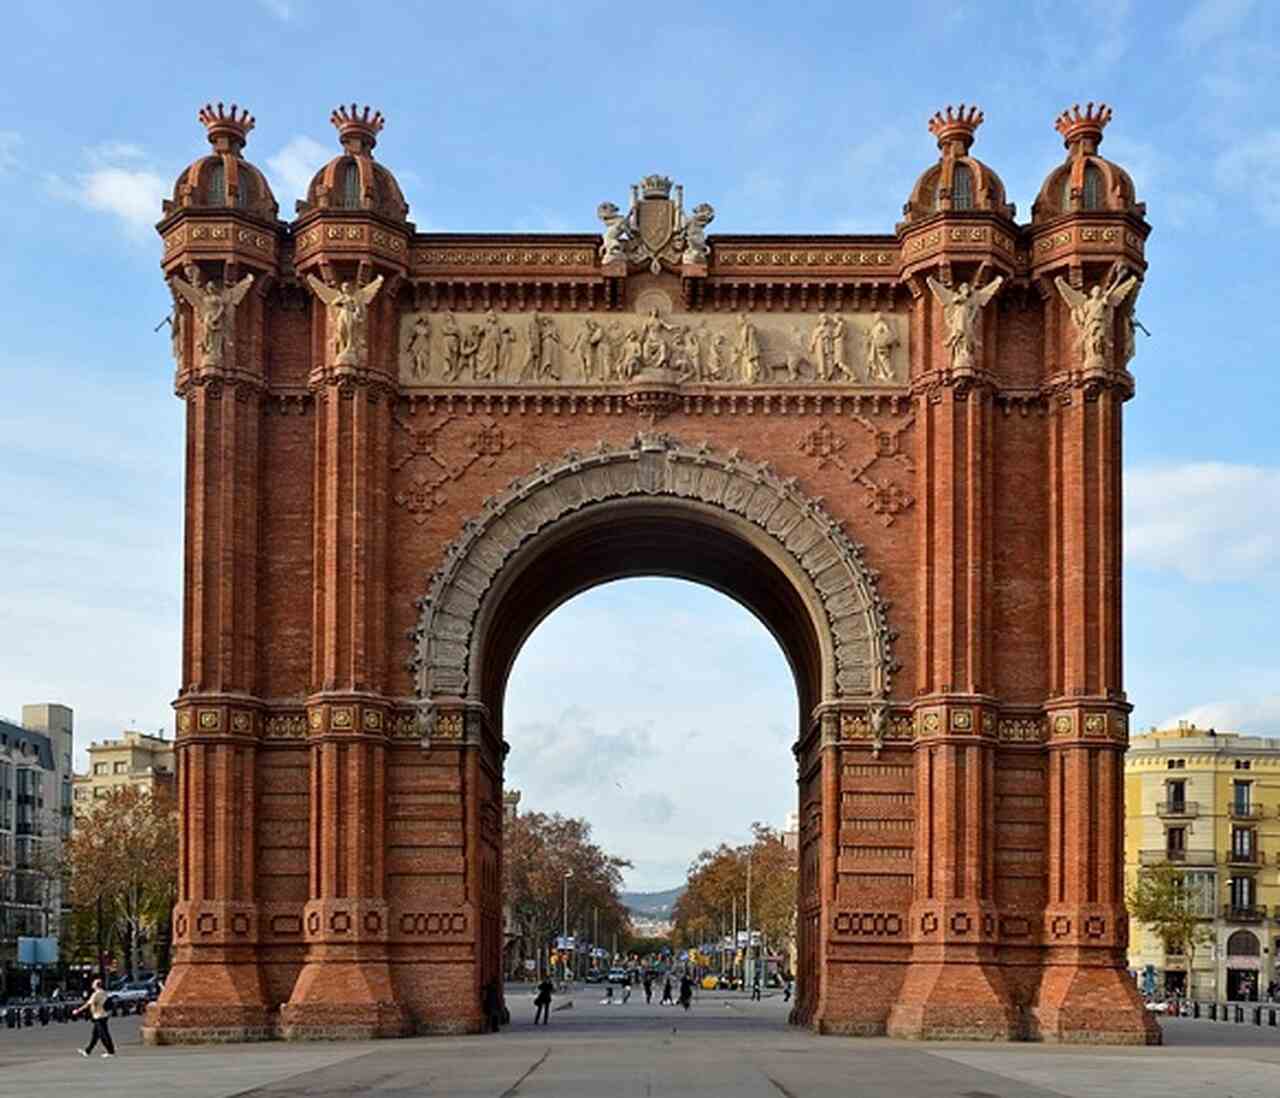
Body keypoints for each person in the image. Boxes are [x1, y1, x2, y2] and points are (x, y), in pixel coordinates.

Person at [73, 978, 115, 1058]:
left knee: (104, 1035)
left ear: (96, 985)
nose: (92, 984)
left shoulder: (96, 994)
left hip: (99, 1016)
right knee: (95, 1035)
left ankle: (110, 1051)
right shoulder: (104, 992)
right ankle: (87, 1051)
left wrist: (77, 1010)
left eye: (94, 983)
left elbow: (87, 1004)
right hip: (103, 1015)